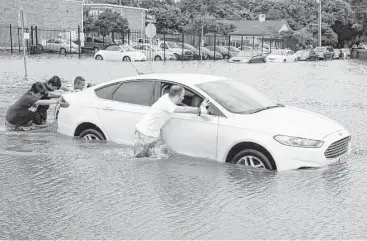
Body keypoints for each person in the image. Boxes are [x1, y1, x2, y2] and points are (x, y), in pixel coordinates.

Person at [134, 85, 210, 158]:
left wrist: (200, 106)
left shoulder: (167, 97)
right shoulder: (167, 104)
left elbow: (182, 106)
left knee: (160, 156)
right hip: (145, 134)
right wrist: (200, 109)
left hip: (154, 134)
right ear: (177, 96)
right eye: (183, 96)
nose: (183, 98)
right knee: (141, 159)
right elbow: (184, 109)